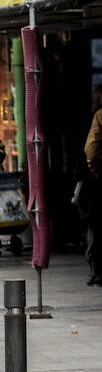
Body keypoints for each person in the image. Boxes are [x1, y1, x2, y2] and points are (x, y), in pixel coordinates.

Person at [86, 102, 102, 286]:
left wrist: (95, 170)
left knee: (96, 226)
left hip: (99, 179)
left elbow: (91, 149)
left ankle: (97, 271)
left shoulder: (99, 115)